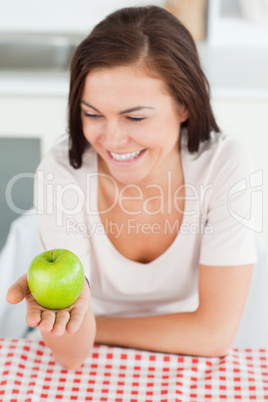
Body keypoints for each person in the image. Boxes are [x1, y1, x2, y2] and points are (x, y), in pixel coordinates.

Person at [6, 5, 257, 370]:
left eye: (135, 117)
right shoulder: (63, 172)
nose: (111, 139)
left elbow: (213, 335)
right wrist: (70, 319)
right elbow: (72, 356)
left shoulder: (223, 166)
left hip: (188, 360)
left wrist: (95, 326)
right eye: (92, 114)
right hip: (92, 355)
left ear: (184, 105)